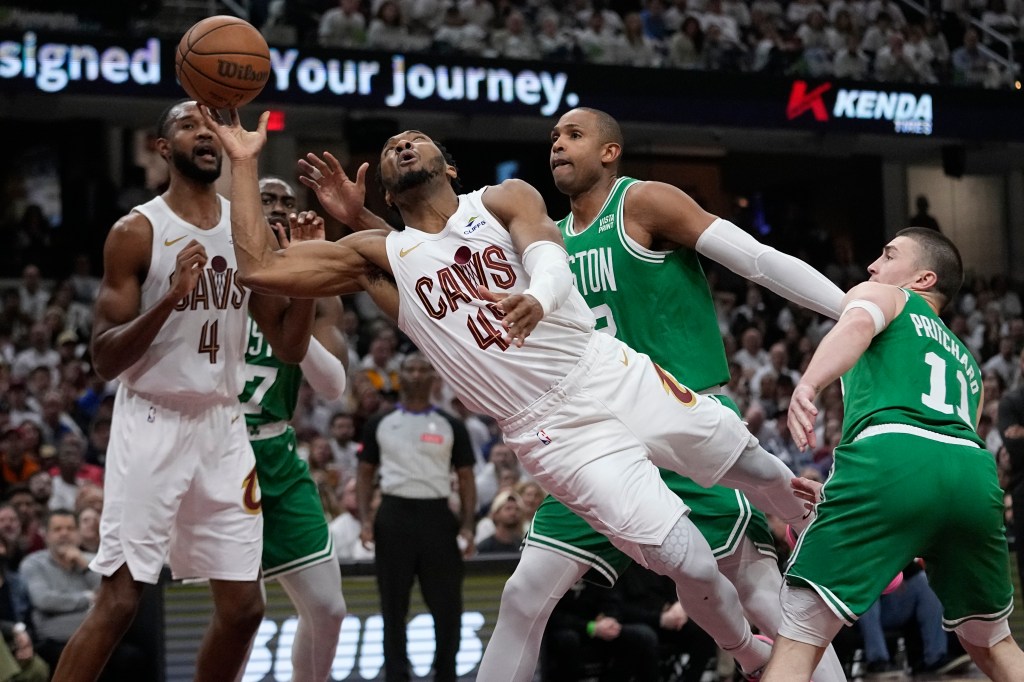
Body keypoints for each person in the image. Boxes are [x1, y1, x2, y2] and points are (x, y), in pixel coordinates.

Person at [202, 108, 829, 678]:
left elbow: (548, 257)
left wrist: (538, 296)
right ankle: (749, 655)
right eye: (392, 146)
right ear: (385, 190)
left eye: (414, 139)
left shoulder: (502, 198)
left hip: (606, 369)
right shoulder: (379, 253)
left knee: (754, 464)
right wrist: (244, 160)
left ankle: (820, 521)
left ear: (450, 166)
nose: (401, 144)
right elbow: (261, 268)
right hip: (551, 430)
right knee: (685, 563)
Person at [478, 106, 846, 682]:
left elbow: (757, 260)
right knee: (523, 595)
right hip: (592, 437)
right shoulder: (545, 241)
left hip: (680, 418)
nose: (557, 145)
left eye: (573, 135)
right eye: (552, 137)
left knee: (763, 595)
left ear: (609, 151)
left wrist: (852, 311)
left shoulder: (643, 201)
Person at [49, 100, 315, 682]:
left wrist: (307, 275)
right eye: (188, 125)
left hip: (223, 423)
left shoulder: (248, 231)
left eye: (210, 125)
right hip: (152, 420)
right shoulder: (136, 231)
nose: (204, 133)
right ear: (162, 147)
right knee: (119, 602)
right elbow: (102, 358)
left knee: (245, 610)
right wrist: (169, 299)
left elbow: (290, 347)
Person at [762, 228, 1024, 680]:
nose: (872, 266)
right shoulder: (968, 361)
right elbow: (944, 445)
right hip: (972, 476)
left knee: (800, 626)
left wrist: (809, 383)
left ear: (922, 279)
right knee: (993, 642)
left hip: (890, 460)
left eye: (888, 255)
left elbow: (857, 324)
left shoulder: (887, 297)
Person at [238, 175, 350, 681]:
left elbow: (333, 388)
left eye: (288, 201)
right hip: (222, 451)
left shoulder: (321, 287)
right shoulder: (223, 271)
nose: (281, 208)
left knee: (329, 610)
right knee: (240, 614)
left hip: (277, 454)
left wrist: (301, 289)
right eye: (267, 200)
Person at [357, 352, 476, 682]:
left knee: (448, 607)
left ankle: (446, 674)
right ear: (400, 377)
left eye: (424, 369)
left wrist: (467, 525)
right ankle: (397, 675)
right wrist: (366, 521)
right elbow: (365, 474)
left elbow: (466, 478)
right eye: (410, 368)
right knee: (393, 606)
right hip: (393, 515)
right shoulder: (379, 423)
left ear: (433, 378)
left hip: (437, 515)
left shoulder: (452, 424)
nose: (417, 374)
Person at [21, 510, 143, 679]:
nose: (64, 533)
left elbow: (111, 597)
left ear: (78, 534)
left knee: (131, 656)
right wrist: (86, 599)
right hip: (54, 641)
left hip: (99, 639)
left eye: (70, 528)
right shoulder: (33, 563)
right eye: (57, 529)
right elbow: (44, 600)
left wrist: (84, 566)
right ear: (46, 535)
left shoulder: (92, 561)